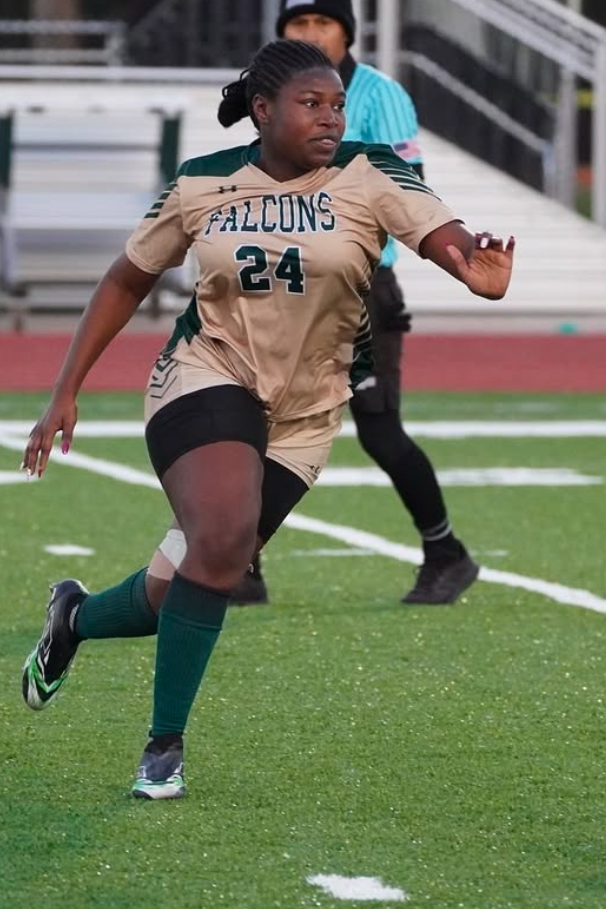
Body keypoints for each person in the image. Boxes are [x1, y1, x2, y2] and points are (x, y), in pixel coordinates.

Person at [19, 39, 515, 801]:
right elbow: (125, 278)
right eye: (310, 104)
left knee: (184, 581)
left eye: (336, 105)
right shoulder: (200, 183)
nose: (329, 116)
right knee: (219, 549)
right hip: (205, 374)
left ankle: (73, 618)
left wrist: (473, 267)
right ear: (262, 110)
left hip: (307, 413)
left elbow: (442, 236)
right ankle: (163, 746)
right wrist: (65, 389)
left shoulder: (370, 170)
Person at [229, 0, 479, 606]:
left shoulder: (380, 93)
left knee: (379, 430)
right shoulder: (268, 95)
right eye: (299, 25)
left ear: (347, 33)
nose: (312, 35)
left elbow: (406, 187)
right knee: (253, 422)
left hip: (361, 284)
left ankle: (446, 550)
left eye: (323, 24)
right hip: (284, 280)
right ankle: (242, 565)